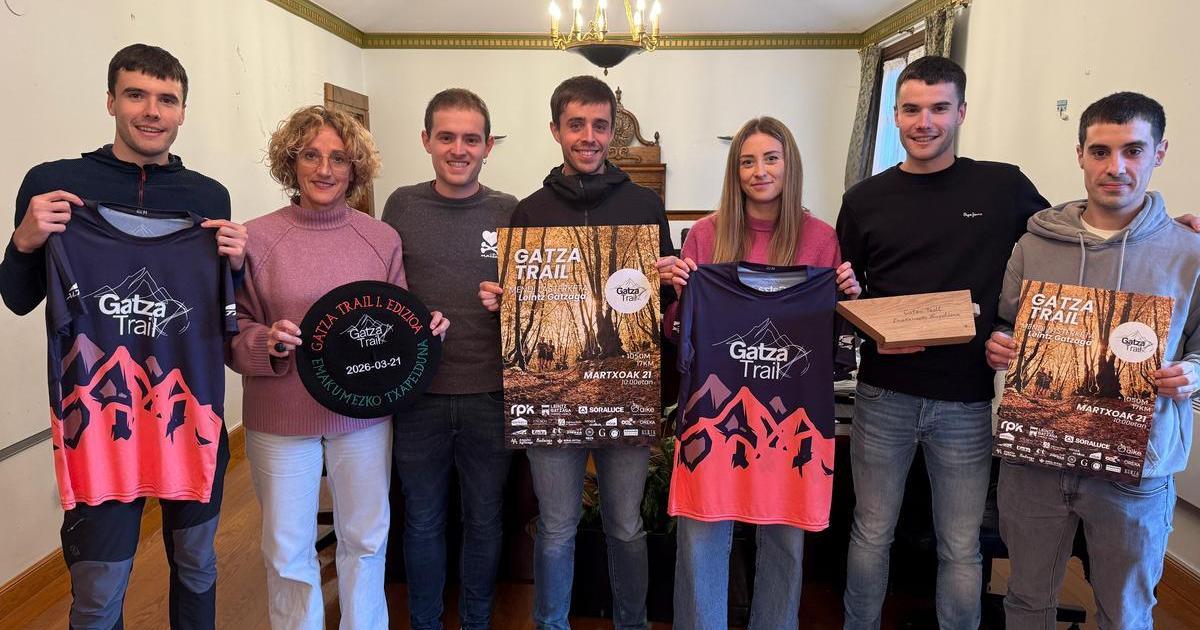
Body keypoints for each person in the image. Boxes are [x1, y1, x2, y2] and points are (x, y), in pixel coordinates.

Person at [0, 43, 245, 629]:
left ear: (182, 111)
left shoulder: (207, 198)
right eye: (136, 95)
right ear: (111, 101)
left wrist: (237, 265)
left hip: (189, 417)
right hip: (97, 425)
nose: (152, 111)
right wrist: (25, 242)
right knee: (99, 590)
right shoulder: (55, 185)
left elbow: (220, 315)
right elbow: (18, 297)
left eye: (167, 99)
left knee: (197, 564)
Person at [835, 55, 1049, 630]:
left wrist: (1153, 224)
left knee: (960, 544)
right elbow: (845, 295)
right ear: (895, 116)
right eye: (911, 109)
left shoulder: (1002, 186)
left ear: (961, 113)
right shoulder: (863, 199)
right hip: (882, 395)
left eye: (938, 108)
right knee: (871, 532)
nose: (924, 122)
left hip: (966, 399)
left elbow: (1067, 242)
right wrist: (865, 323)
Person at [227, 105, 448, 630]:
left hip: (364, 416)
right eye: (311, 155)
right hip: (281, 416)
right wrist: (267, 342)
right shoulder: (255, 239)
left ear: (355, 168)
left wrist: (424, 332)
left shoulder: (381, 238)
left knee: (366, 541)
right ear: (290, 162)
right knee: (287, 551)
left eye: (339, 158)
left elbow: (394, 323)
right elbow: (233, 333)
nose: (325, 170)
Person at [985, 92, 1200, 629]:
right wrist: (1000, 343)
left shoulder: (1189, 251)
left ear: (1160, 153)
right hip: (1035, 459)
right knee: (1026, 601)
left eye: (1133, 150)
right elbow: (1007, 322)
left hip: (1136, 467)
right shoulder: (1034, 244)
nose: (1116, 167)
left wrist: (1192, 373)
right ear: (1080, 153)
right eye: (1101, 151)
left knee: (1125, 613)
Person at [478, 75, 674, 630]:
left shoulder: (644, 205)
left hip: (625, 393)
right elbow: (521, 307)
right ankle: (551, 623)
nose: (589, 136)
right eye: (576, 125)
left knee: (626, 525)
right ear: (555, 129)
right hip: (552, 404)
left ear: (613, 132)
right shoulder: (529, 212)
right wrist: (501, 301)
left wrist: (671, 280)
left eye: (600, 126)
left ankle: (632, 623)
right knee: (557, 525)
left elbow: (662, 303)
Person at [659, 116, 859, 629]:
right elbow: (680, 334)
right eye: (747, 161)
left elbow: (834, 337)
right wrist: (679, 293)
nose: (759, 171)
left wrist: (848, 299)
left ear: (790, 164)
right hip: (713, 413)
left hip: (791, 416)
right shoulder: (705, 235)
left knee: (786, 539)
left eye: (771, 158)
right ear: (735, 171)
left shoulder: (820, 239)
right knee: (702, 532)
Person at [381, 88, 518, 630]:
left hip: (492, 392)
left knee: (485, 519)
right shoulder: (401, 205)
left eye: (471, 139)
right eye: (446, 137)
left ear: (488, 146)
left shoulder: (511, 210)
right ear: (426, 141)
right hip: (418, 396)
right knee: (421, 520)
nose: (459, 149)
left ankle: (477, 621)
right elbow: (383, 291)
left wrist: (511, 299)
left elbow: (538, 298)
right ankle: (426, 622)